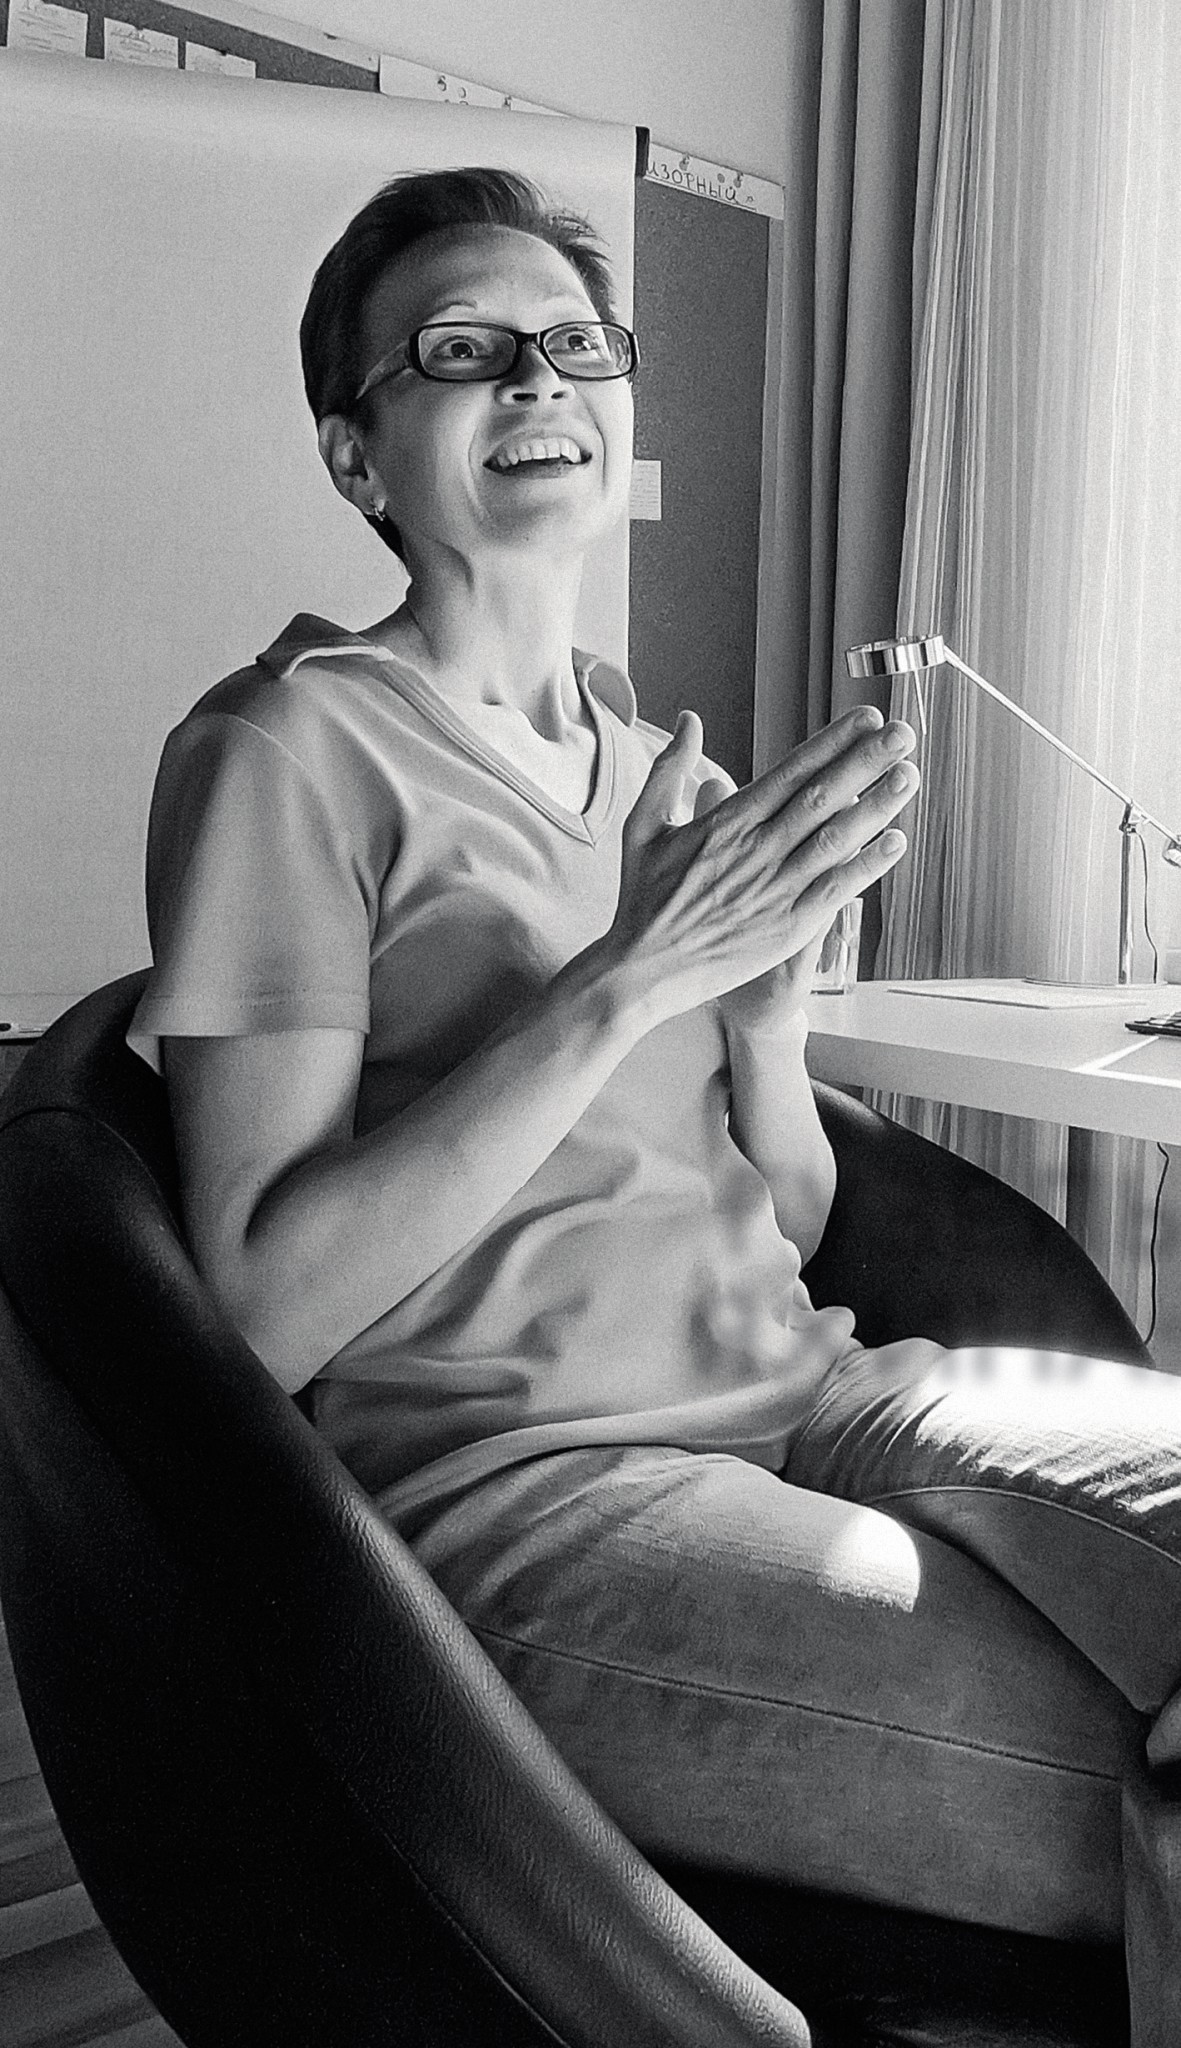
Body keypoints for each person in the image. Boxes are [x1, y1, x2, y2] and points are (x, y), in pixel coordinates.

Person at [128, 167, 1181, 2045]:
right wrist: (627, 977)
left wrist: (757, 1026)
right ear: (358, 456)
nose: (537, 374)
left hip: (823, 1397)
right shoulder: (285, 747)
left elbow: (789, 1217)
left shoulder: (653, 759)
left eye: (572, 341)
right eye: (462, 350)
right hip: (527, 1491)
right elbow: (261, 1311)